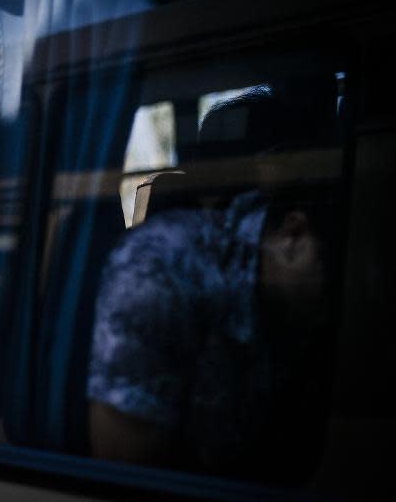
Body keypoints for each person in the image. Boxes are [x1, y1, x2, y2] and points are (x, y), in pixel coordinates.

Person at [87, 89, 339, 483]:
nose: (335, 305)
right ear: (293, 236)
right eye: (331, 275)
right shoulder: (161, 270)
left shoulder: (285, 311)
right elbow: (126, 474)